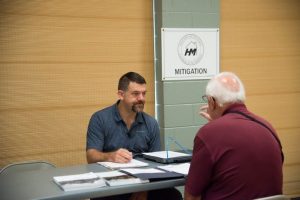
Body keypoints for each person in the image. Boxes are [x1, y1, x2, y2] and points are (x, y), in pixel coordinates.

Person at [184, 72, 283, 200]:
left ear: (212, 102)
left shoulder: (209, 134)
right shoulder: (268, 127)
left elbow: (191, 196)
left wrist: (214, 128)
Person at [86, 72, 182, 200]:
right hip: (111, 182)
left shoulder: (150, 123)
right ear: (121, 94)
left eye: (144, 93)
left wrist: (144, 190)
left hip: (144, 181)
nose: (141, 98)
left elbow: (157, 164)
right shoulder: (100, 119)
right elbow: (91, 156)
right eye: (136, 94)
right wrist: (110, 156)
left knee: (173, 195)